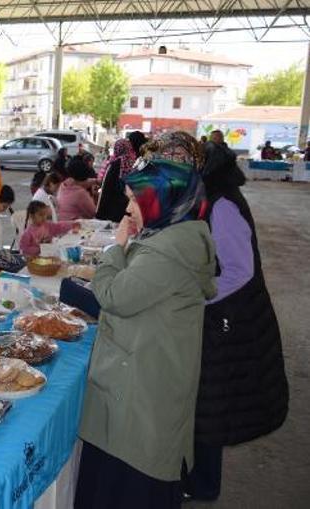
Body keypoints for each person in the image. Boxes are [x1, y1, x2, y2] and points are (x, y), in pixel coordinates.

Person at [76, 134, 217, 509]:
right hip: (145, 381)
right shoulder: (172, 232)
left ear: (163, 200)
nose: (128, 206)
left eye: (137, 199)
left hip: (142, 397)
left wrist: (114, 248)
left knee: (127, 488)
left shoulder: (168, 250)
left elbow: (113, 297)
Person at [182, 142, 289, 501]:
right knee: (211, 405)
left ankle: (204, 486)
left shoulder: (223, 206)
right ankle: (200, 481)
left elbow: (240, 271)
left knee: (212, 406)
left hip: (232, 322)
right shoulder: (216, 198)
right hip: (228, 317)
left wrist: (200, 295)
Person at [95, 138, 137, 222]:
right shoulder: (133, 162)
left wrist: (100, 214)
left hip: (114, 207)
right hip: (130, 204)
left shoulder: (115, 164)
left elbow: (107, 188)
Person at [57, 156, 97, 221]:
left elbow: (85, 182)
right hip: (73, 226)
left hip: (62, 221)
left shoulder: (63, 185)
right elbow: (93, 213)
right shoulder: (80, 193)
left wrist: (96, 181)